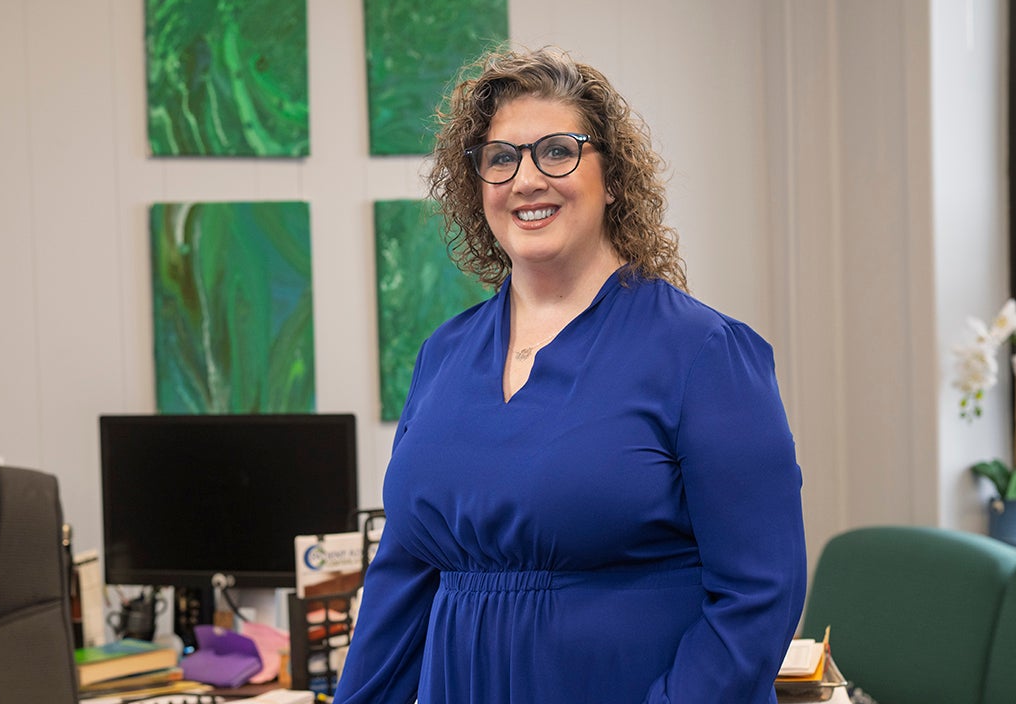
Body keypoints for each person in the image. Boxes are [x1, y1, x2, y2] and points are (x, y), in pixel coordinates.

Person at [333, 45, 807, 704]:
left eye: (558, 151)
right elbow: (403, 578)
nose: (527, 179)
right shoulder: (443, 356)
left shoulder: (705, 355)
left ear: (613, 178)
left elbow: (758, 596)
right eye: (501, 159)